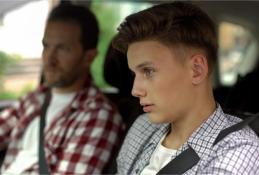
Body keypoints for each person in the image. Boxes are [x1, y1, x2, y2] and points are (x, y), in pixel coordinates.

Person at [112, 1, 259, 174]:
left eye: (148, 71)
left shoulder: (237, 152)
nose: (135, 90)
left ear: (196, 70)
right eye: (134, 74)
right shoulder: (142, 126)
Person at [0, 3, 124, 174]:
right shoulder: (36, 98)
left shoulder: (97, 115)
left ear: (89, 57)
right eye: (46, 46)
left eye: (62, 49)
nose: (49, 60)